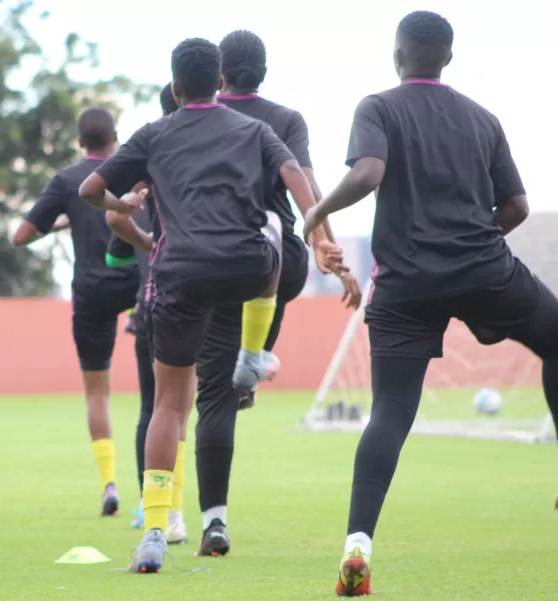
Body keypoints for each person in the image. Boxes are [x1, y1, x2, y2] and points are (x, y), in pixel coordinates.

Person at [302, 11, 558, 596]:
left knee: (390, 408)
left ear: (398, 55)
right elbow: (515, 207)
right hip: (483, 269)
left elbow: (368, 174)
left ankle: (357, 547)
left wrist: (317, 213)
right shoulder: (483, 118)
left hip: (405, 283)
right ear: (447, 57)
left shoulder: (378, 107)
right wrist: (474, 238)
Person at [80, 37, 340, 574]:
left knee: (170, 406)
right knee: (274, 227)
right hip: (248, 267)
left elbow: (89, 189)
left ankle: (154, 531)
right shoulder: (256, 129)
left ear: (175, 88)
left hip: (178, 276)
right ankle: (251, 354)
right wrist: (317, 238)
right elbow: (298, 183)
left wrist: (121, 202)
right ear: (218, 82)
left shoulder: (155, 133)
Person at [190, 29, 362, 558]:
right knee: (260, 321)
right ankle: (253, 359)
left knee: (212, 394)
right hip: (279, 259)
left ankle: (214, 523)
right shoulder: (287, 120)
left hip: (213, 261)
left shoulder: (197, 118)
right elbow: (306, 189)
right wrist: (326, 249)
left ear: (219, 74)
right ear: (263, 72)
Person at [11, 107, 140, 517]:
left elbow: (21, 237)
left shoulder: (68, 181)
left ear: (80, 142)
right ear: (114, 138)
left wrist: (63, 220)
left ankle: (109, 484)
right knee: (160, 397)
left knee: (98, 393)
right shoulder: (135, 172)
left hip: (91, 291)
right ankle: (156, 501)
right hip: (141, 285)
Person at [103, 83, 188, 539]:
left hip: (150, 299)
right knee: (179, 407)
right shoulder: (198, 155)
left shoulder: (151, 155)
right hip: (188, 298)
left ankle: (150, 507)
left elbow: (115, 218)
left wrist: (148, 244)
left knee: (154, 408)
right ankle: (171, 513)